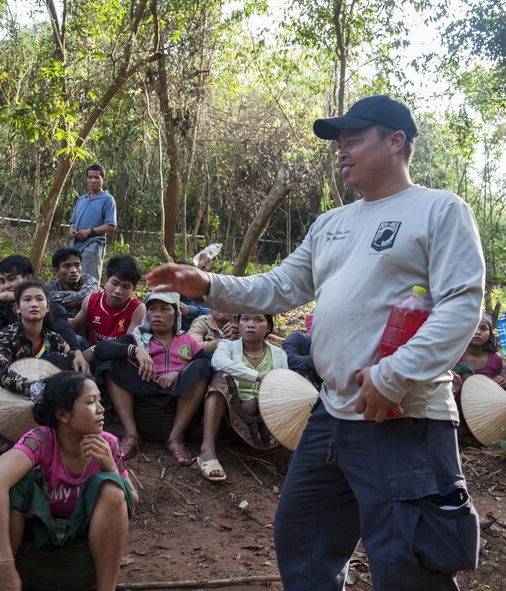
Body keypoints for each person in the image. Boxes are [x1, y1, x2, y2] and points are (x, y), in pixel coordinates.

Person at [147, 95, 483, 590]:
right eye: (338, 143)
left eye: (353, 140)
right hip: (331, 415)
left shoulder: (439, 210)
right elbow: (280, 286)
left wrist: (393, 377)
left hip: (402, 418)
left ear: (396, 142)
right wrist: (209, 284)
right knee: (302, 539)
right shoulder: (331, 223)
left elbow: (460, 304)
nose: (341, 151)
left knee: (408, 563)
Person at [0, 372, 137, 591]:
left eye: (100, 400)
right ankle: (4, 578)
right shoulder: (41, 440)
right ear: (63, 414)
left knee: (113, 490)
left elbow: (132, 501)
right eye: (91, 402)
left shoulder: (107, 444)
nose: (101, 409)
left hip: (85, 543)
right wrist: (2, 564)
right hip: (38, 539)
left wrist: (110, 467)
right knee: (18, 486)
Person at [94, 291, 210, 463]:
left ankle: (176, 439)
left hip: (178, 403)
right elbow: (101, 349)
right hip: (144, 399)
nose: (157, 314)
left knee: (202, 366)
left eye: (164, 309)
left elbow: (204, 370)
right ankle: (131, 435)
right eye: (152, 309)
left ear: (176, 313)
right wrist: (136, 350)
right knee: (111, 364)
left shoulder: (188, 340)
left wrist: (178, 373)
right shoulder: (137, 337)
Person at [0, 280, 74, 464]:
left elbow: (70, 371)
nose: (34, 304)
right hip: (10, 397)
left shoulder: (55, 339)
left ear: (48, 307)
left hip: (44, 403)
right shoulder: (6, 335)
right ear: (18, 308)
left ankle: (58, 434)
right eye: (27, 300)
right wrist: (34, 387)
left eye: (39, 299)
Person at [198, 314, 287, 481]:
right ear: (238, 324)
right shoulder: (228, 345)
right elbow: (218, 362)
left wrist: (256, 401)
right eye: (245, 319)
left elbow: (282, 387)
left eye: (258, 320)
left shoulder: (279, 354)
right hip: (229, 414)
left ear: (268, 327)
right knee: (221, 378)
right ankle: (207, 450)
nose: (250, 325)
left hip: (264, 417)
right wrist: (258, 376)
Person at [0, 255, 88, 378]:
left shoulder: (50, 307)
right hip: (11, 357)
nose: (6, 286)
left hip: (44, 355)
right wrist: (0, 301)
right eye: (3, 281)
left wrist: (76, 352)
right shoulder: (2, 306)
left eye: (11, 279)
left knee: (77, 341)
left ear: (28, 278)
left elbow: (62, 329)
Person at [69, 254, 146, 364]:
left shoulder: (137, 309)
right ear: (106, 281)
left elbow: (128, 344)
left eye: (126, 287)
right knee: (75, 340)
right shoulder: (91, 300)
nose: (118, 291)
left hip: (116, 357)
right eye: (114, 283)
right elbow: (75, 324)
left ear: (134, 289)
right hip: (89, 353)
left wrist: (94, 350)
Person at [69, 164, 117, 283]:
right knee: (73, 279)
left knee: (89, 280)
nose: (93, 180)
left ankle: (90, 301)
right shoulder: (81, 199)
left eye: (96, 177)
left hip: (93, 245)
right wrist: (72, 229)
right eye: (90, 177)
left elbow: (111, 225)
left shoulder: (107, 199)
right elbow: (73, 221)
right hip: (75, 245)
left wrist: (90, 232)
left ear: (103, 180)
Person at [47, 248, 99, 318]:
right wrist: (66, 293)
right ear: (56, 271)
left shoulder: (88, 280)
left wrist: (54, 303)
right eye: (67, 266)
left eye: (77, 265)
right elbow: (42, 296)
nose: (74, 270)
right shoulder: (52, 285)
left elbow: (88, 296)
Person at [455, 314, 505, 387]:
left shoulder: (496, 360)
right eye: (473, 327)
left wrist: (501, 381)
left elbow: (496, 386)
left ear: (490, 333)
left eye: (483, 329)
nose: (477, 332)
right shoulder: (455, 357)